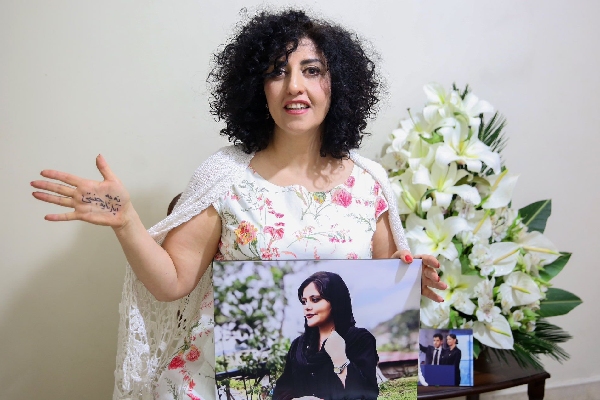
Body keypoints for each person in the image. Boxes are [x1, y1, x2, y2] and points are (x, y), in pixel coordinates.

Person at [30, 8, 446, 399]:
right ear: (258, 88)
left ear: (337, 84)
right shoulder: (225, 175)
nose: (294, 86)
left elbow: (385, 274)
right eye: (277, 72)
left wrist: (411, 279)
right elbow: (170, 283)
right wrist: (127, 222)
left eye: (312, 70)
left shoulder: (369, 182)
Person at [273, 271, 378, 400]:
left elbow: (366, 394)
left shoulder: (359, 340)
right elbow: (281, 391)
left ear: (335, 301)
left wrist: (341, 360)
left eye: (315, 300)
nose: (307, 307)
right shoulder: (298, 346)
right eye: (304, 301)